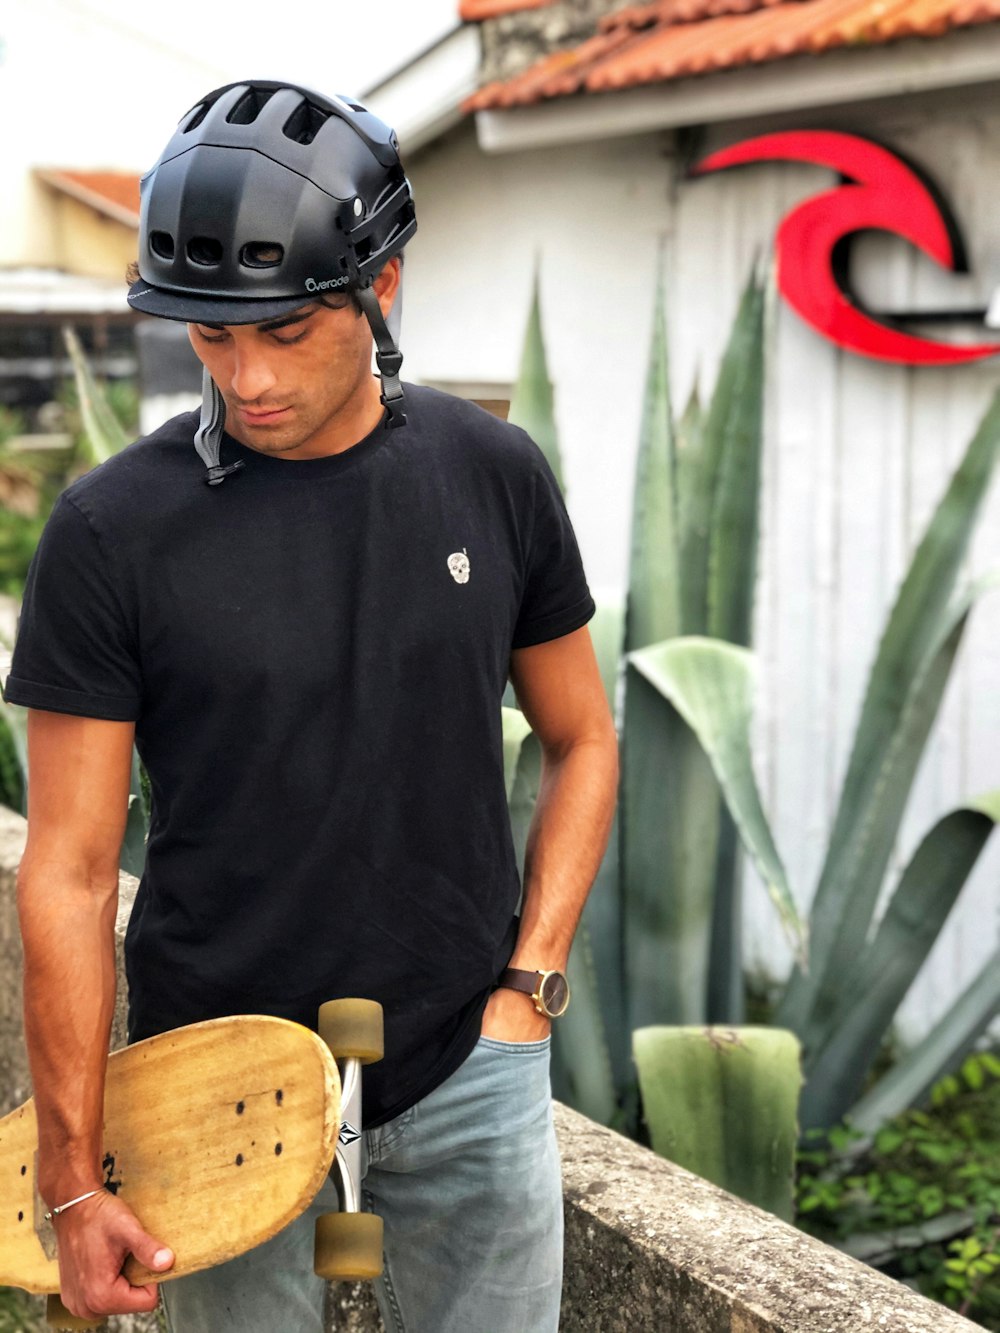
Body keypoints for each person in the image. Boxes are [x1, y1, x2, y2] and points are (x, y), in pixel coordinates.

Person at [6, 80, 618, 1332]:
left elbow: (582, 739)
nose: (246, 377)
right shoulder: (111, 533)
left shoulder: (492, 476)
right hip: (209, 1081)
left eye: (284, 331)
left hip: (465, 1069)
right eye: (212, 337)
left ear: (379, 290)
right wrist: (72, 1183)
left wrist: (527, 993)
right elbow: (66, 871)